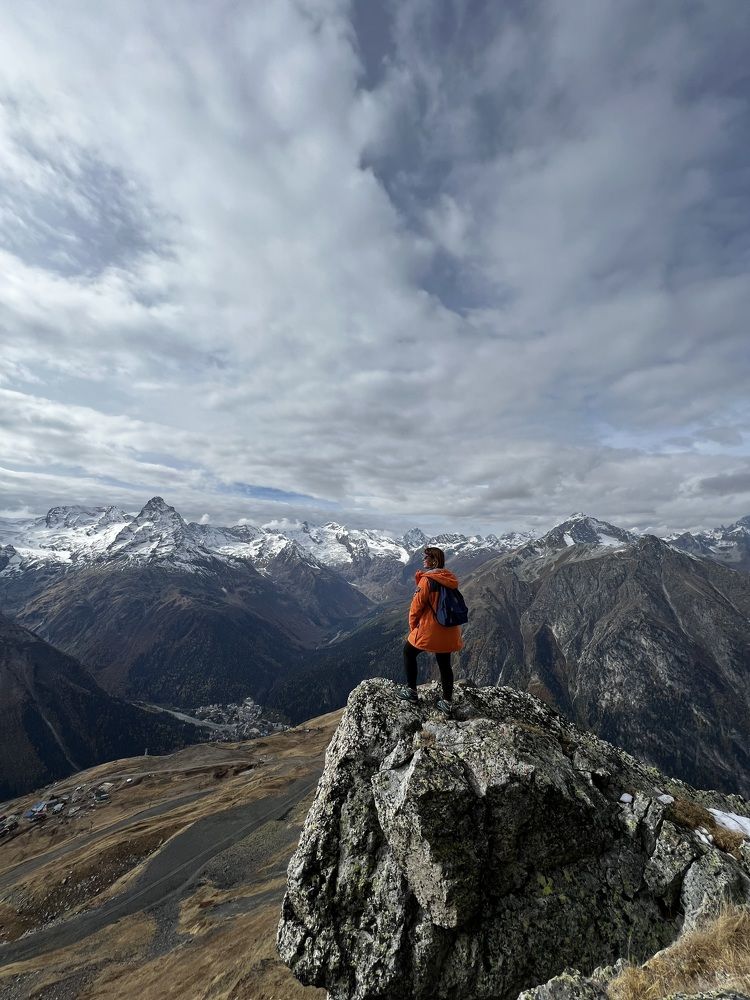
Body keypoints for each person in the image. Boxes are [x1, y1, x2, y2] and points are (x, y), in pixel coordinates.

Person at [399, 546, 463, 716]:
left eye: (426, 558)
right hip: (449, 630)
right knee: (444, 663)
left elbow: (416, 607)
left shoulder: (427, 580)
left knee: (408, 652)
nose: (423, 560)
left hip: (430, 630)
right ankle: (447, 702)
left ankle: (412, 692)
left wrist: (414, 629)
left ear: (434, 560)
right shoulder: (449, 579)